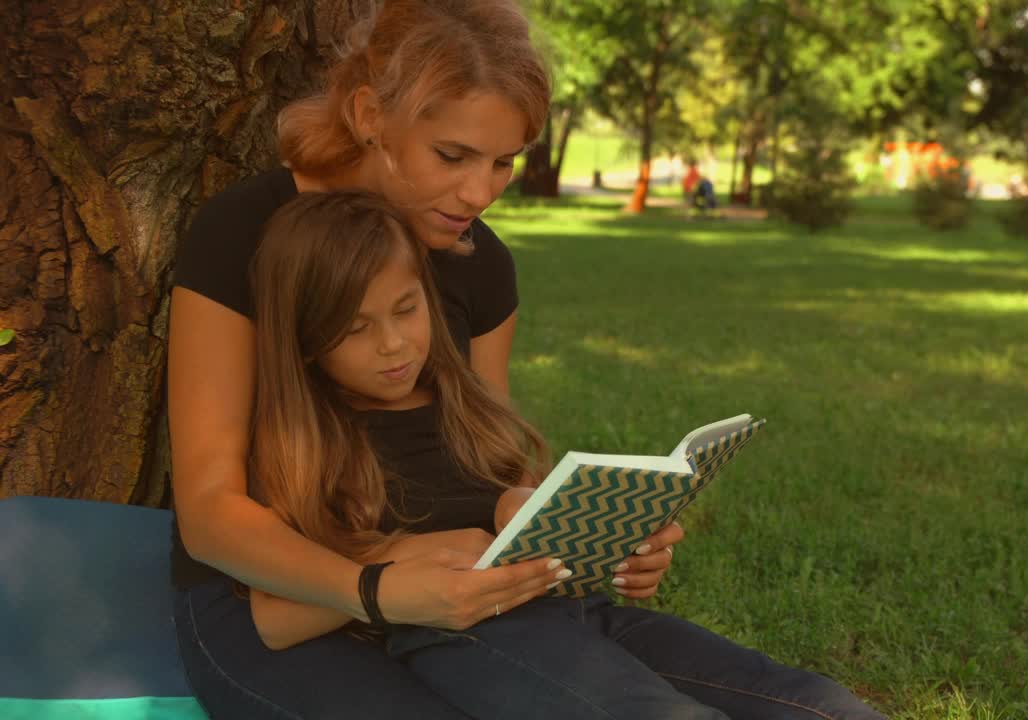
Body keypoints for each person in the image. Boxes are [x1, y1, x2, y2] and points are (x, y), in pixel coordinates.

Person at [167, 2, 682, 718]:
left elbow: (493, 461)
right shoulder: (244, 233)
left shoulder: (481, 263)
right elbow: (209, 510)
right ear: (370, 115)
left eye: (503, 162)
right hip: (275, 601)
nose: (479, 193)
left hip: (449, 579)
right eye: (452, 156)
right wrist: (371, 589)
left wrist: (579, 531)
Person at [244, 189, 888, 720]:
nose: (393, 344)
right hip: (466, 633)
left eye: (406, 309)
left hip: (577, 613)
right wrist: (400, 557)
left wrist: (581, 529)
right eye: (356, 328)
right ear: (308, 342)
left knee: (808, 701)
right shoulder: (308, 440)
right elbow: (274, 619)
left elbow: (508, 504)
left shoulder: (460, 399)